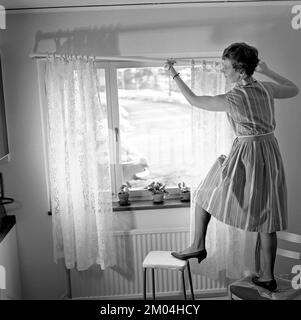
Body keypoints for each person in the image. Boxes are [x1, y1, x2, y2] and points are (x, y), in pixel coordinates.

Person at [164, 42, 299, 292]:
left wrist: (173, 74)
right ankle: (267, 277)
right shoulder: (266, 89)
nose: (221, 70)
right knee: (267, 218)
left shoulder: (233, 98)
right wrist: (267, 71)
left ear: (239, 70)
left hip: (248, 154)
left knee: (205, 192)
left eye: (225, 67)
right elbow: (294, 89)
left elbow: (194, 100)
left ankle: (197, 244)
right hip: (270, 152)